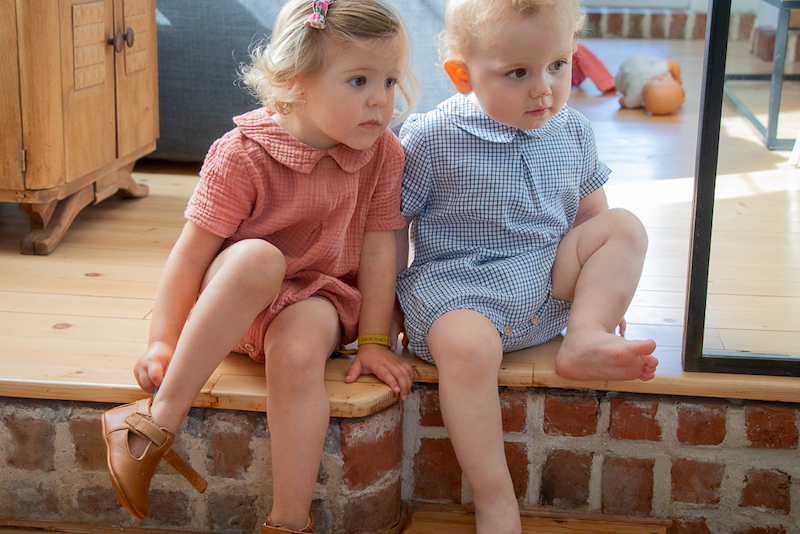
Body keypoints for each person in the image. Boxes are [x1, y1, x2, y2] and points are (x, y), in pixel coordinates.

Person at [101, 1, 417, 532]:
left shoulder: (383, 153)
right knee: (260, 256)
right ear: (296, 82)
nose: (380, 100)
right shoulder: (242, 153)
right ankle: (152, 426)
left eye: (389, 81)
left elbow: (382, 248)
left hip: (314, 299)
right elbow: (191, 255)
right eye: (359, 80)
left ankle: (288, 522)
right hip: (235, 300)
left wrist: (374, 341)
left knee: (297, 358)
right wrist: (162, 340)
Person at [394, 0, 658, 532]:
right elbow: (391, 229)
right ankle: (496, 498)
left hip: (545, 281)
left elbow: (590, 218)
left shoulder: (574, 130)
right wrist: (380, 323)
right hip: (459, 291)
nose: (544, 89)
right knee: (467, 349)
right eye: (518, 73)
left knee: (626, 225)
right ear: (462, 76)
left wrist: (599, 294)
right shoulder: (428, 138)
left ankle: (585, 336)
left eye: (558, 65)